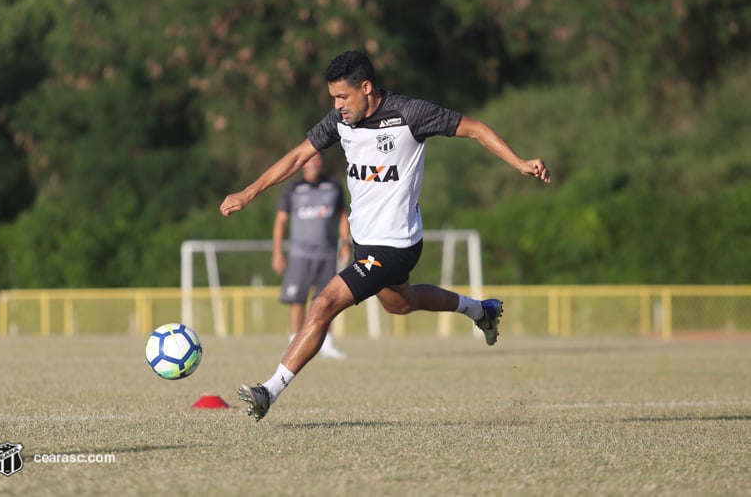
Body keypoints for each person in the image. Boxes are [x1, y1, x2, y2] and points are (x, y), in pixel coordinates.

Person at [220, 50, 551, 421]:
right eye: (333, 98)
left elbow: (474, 128)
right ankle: (480, 309)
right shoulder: (339, 121)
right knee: (400, 303)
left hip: (396, 244)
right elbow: (298, 156)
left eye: (343, 97)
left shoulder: (410, 114)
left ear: (366, 87)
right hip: (367, 241)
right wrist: (248, 193)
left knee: (324, 304)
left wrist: (520, 161)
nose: (337, 105)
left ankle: (270, 390)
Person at [272, 152, 350, 360]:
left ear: (321, 163)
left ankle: (327, 344)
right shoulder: (293, 189)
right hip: (300, 254)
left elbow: (343, 216)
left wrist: (346, 242)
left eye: (317, 159)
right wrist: (278, 252)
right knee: (297, 300)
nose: (314, 163)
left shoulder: (333, 186)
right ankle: (293, 343)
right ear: (303, 164)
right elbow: (280, 222)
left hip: (327, 253)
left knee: (327, 300)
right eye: (310, 159)